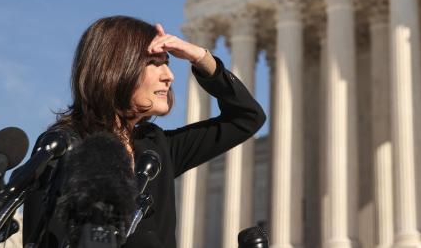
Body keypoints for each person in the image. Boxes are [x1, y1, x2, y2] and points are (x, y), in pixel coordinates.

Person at [22, 15, 266, 248]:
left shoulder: (156, 148)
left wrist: (200, 58)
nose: (169, 76)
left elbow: (247, 118)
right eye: (154, 63)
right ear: (115, 67)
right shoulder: (64, 145)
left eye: (168, 64)